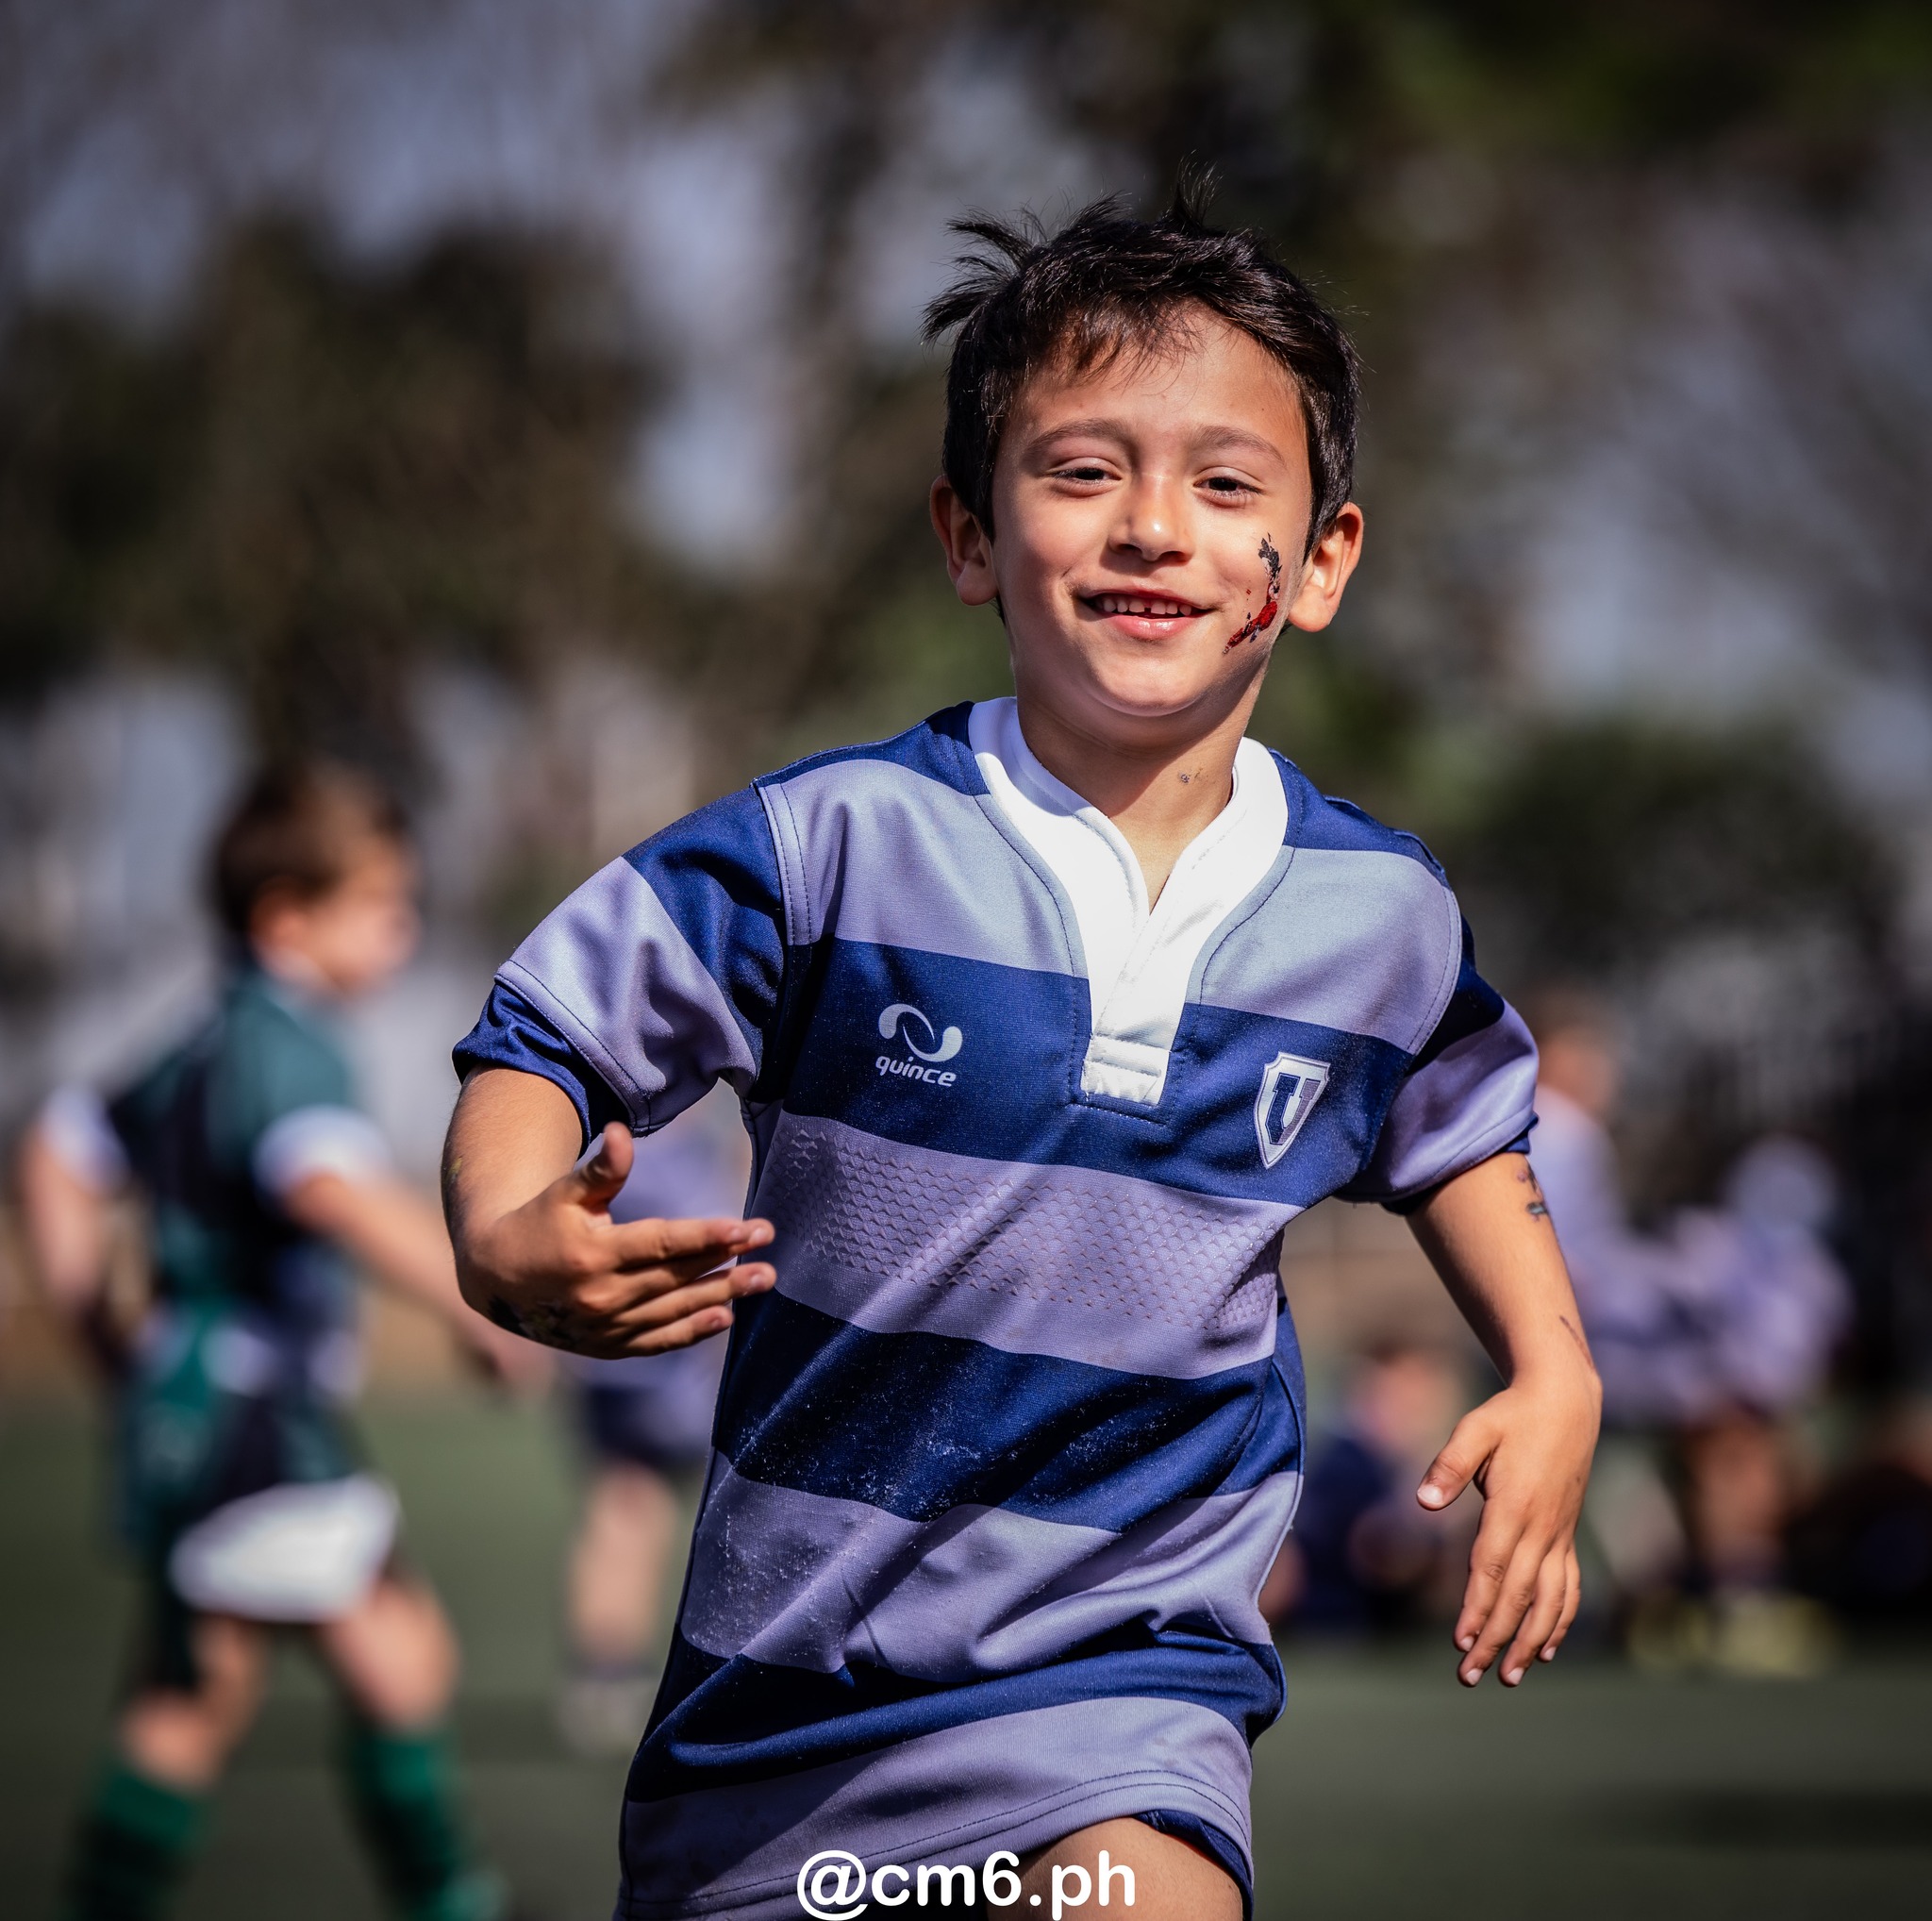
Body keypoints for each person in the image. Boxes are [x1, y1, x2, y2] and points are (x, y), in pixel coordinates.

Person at [441, 188, 1602, 1921]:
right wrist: (501, 1222)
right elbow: (552, 1027)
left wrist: (1551, 1365)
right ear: (968, 534)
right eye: (1079, 471)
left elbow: (1459, 1128)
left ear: (1323, 559)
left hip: (1125, 1680)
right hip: (784, 1709)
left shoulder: (1377, 915)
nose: (1152, 526)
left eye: (1225, 484)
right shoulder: (829, 844)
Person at [17, 764, 540, 1921]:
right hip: (256, 1417)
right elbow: (327, 1187)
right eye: (382, 905)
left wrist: (106, 1335)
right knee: (400, 1652)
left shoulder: (202, 1036)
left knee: (191, 1697)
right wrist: (477, 1292)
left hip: (196, 1407)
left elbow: (55, 1148)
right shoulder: (286, 1040)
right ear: (286, 917)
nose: (405, 932)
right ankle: (455, 1900)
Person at [1531, 994, 1848, 1671]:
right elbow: (1569, 1261)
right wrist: (1669, 1279)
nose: (1606, 1069)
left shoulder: (1552, 1126)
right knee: (1735, 1433)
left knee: (1726, 1433)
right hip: (1587, 1345)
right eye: (1591, 1052)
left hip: (1587, 1340)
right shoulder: (1560, 1128)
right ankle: (1735, 1596)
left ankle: (1679, 1598)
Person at [556, 1085, 746, 1756]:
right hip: (663, 1356)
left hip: (614, 1359)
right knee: (660, 1509)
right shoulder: (639, 1141)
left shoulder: (591, 1124)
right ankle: (630, 1671)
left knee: (627, 1506)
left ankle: (609, 1674)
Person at [1258, 1342, 1476, 1635]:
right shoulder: (1349, 1464)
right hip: (1322, 1616)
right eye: (1407, 1403)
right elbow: (1376, 1546)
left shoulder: (1382, 1466)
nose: (1416, 1417)